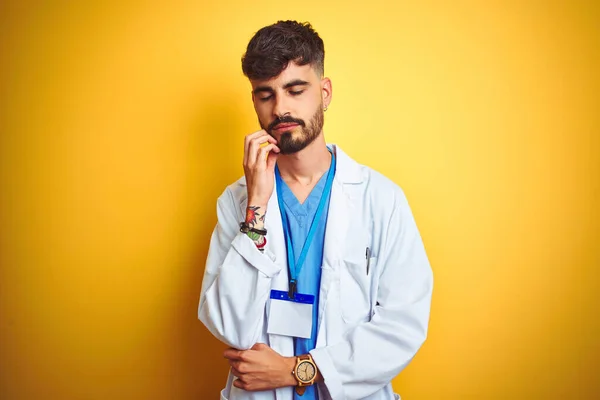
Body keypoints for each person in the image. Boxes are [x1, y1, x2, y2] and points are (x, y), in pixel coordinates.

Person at [198, 20, 433, 400]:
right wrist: (256, 205)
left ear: (324, 93)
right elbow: (230, 325)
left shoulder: (381, 199)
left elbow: (402, 327)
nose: (281, 108)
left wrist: (295, 371)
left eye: (295, 89)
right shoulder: (238, 201)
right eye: (265, 95)